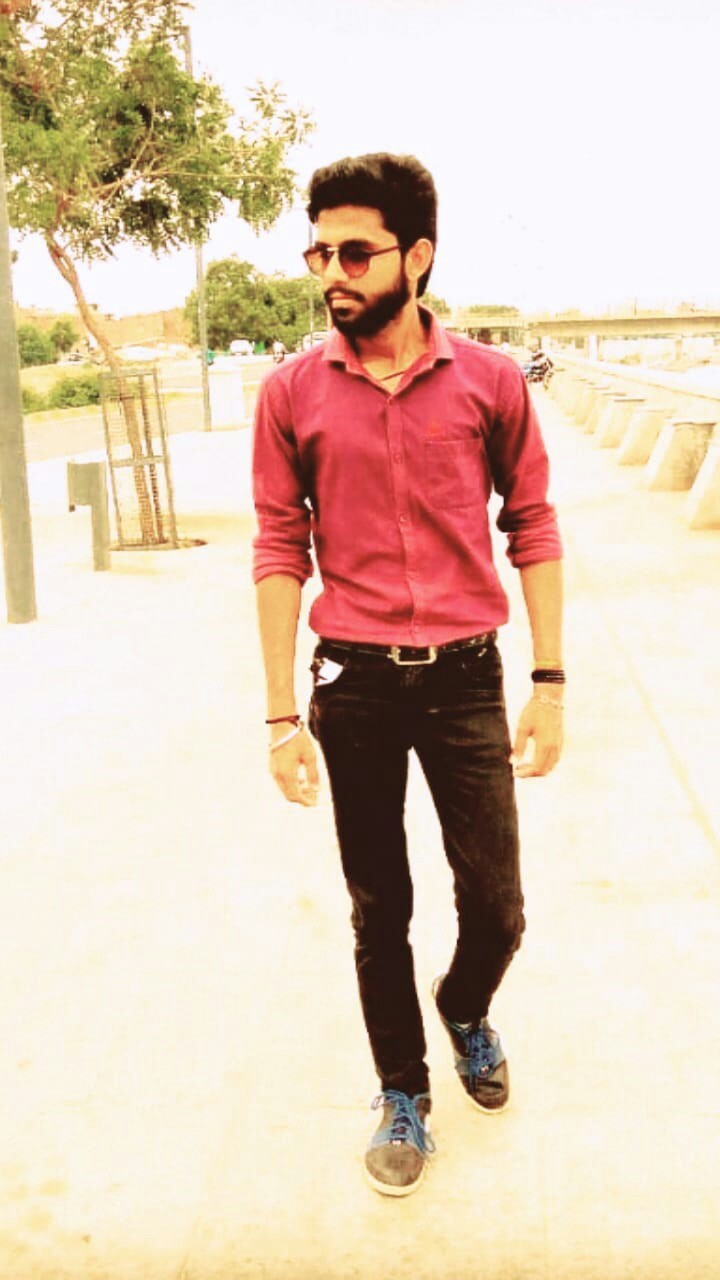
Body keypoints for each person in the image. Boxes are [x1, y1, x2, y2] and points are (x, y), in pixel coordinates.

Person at [252, 153, 564, 1198]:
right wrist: (279, 716)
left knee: (499, 905)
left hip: (467, 676)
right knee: (377, 905)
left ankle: (465, 1007)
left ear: (416, 256)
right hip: (355, 686)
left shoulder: (490, 382)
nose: (331, 273)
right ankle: (403, 1091)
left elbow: (533, 524)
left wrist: (550, 681)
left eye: (355, 252)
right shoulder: (293, 391)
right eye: (319, 252)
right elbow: (278, 547)